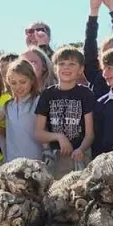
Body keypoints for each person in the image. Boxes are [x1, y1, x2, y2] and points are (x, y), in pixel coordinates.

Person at [35, 47, 96, 176]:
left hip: (80, 156)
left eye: (72, 64)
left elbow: (90, 134)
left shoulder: (86, 94)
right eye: (61, 64)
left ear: (81, 69)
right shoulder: (47, 94)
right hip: (55, 157)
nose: (66, 67)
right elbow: (38, 133)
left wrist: (81, 149)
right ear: (55, 69)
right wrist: (59, 137)